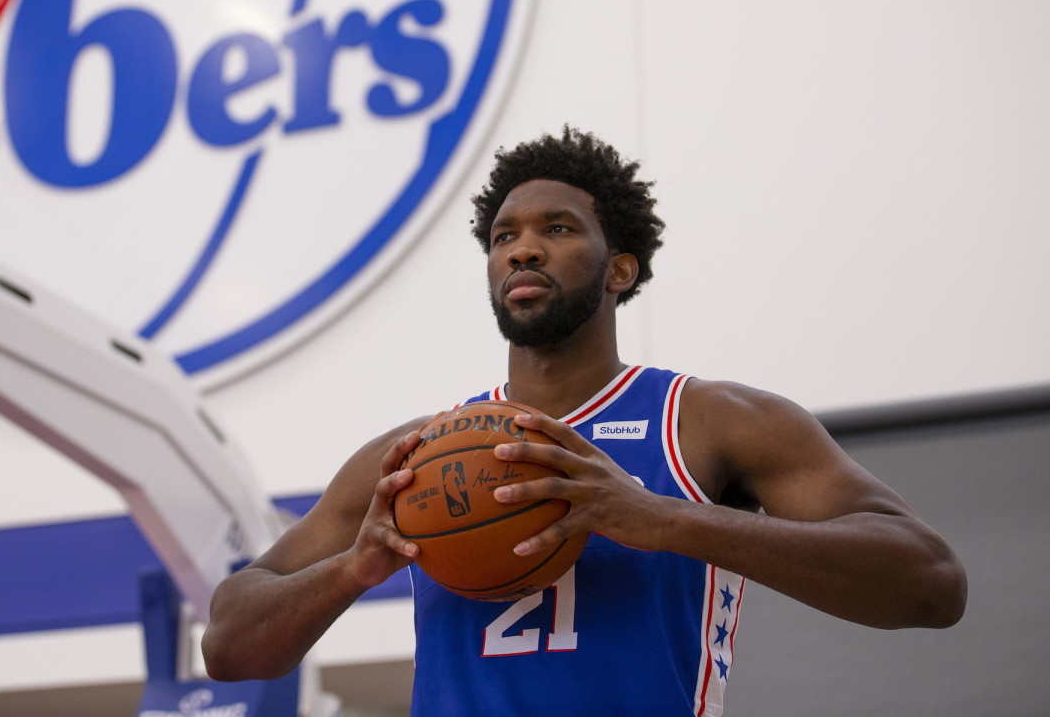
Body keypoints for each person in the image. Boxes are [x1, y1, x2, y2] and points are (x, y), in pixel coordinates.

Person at [201, 126, 968, 715]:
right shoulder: (412, 457)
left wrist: (661, 518)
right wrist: (351, 570)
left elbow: (930, 583)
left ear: (620, 269)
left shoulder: (712, 421)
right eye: (504, 237)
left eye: (557, 229)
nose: (523, 248)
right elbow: (230, 646)